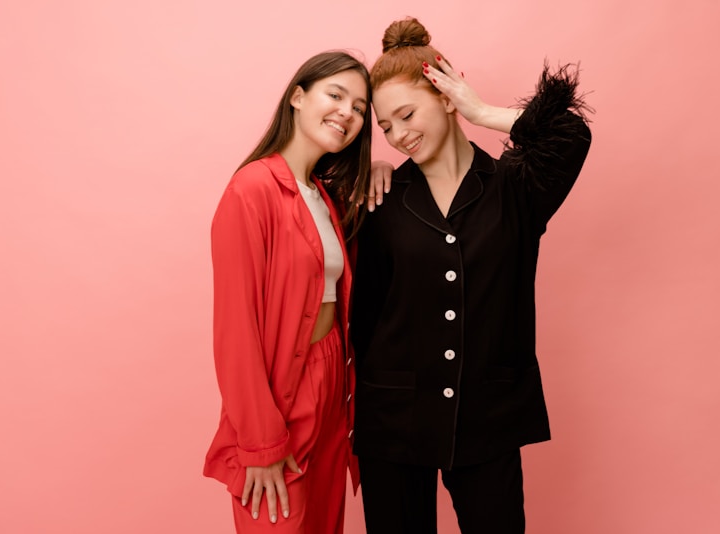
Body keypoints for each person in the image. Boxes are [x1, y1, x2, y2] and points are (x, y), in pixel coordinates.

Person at [350, 17, 593, 534]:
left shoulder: (515, 188)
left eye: (406, 113)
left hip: (489, 418)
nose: (398, 135)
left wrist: (480, 111)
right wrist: (363, 166)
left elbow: (572, 133)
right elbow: (363, 312)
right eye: (386, 126)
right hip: (393, 420)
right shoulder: (381, 198)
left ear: (444, 94)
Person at [203, 50, 376, 534]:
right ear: (297, 97)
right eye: (335, 95)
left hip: (331, 391)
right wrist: (258, 442)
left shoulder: (325, 196)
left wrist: (380, 170)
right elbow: (235, 331)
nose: (348, 112)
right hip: (279, 397)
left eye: (360, 108)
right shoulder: (251, 190)